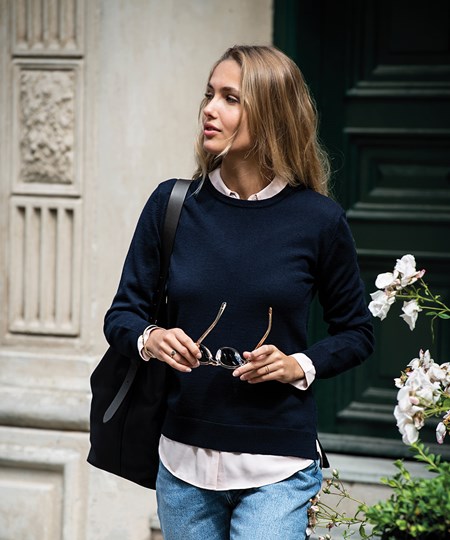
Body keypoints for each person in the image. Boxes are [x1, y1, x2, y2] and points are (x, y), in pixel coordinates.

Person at [104, 45, 375, 540]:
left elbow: (357, 332)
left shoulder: (319, 220)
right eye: (209, 94)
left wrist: (298, 365)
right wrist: (152, 338)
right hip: (182, 462)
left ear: (271, 113)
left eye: (231, 98)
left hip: (278, 466)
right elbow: (122, 315)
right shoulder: (172, 205)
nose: (209, 109)